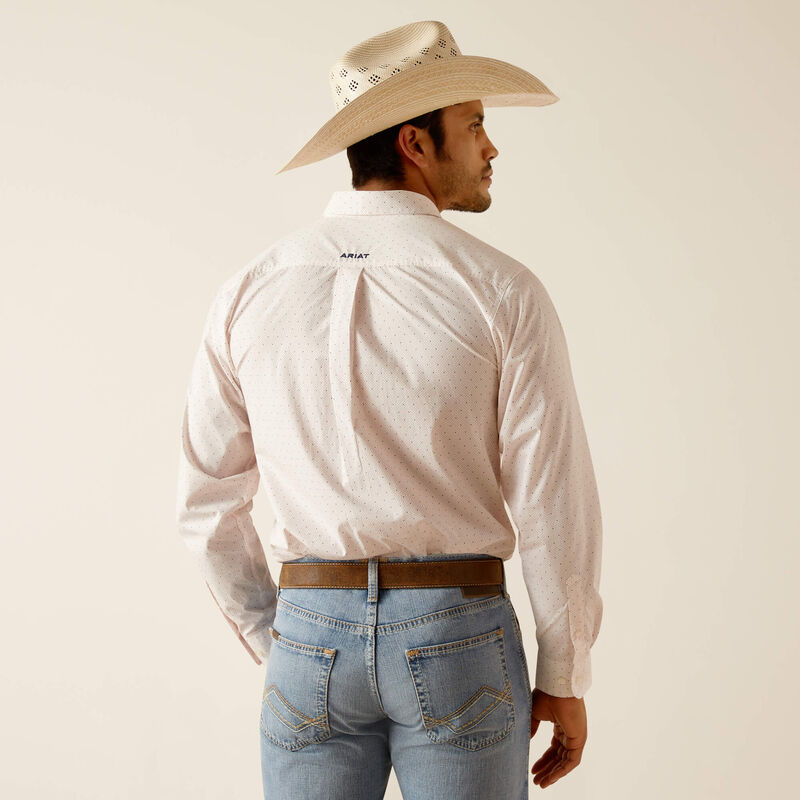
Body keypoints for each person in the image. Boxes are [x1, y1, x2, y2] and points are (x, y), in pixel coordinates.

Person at [176, 19, 603, 798]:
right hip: (457, 631)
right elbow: (551, 497)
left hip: (308, 633)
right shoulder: (500, 289)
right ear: (415, 142)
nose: (490, 147)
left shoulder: (250, 290)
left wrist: (281, 638)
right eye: (474, 124)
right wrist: (564, 671)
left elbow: (206, 502)